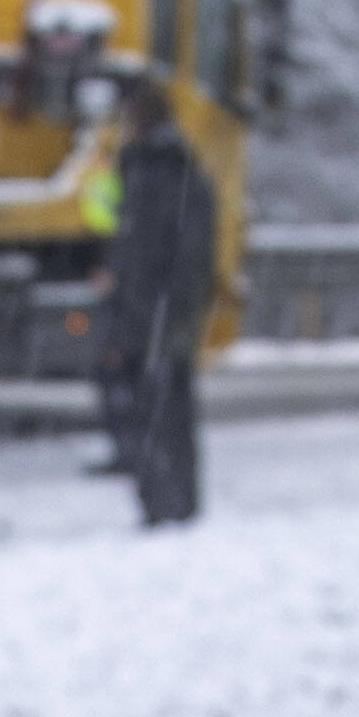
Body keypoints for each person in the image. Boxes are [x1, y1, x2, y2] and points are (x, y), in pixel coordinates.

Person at [89, 64, 216, 528]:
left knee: (155, 404)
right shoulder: (162, 171)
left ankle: (164, 499)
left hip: (150, 309)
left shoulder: (155, 174)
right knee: (164, 405)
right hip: (154, 309)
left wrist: (147, 303)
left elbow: (157, 249)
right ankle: (169, 498)